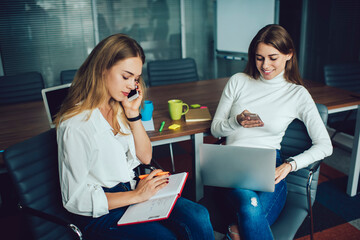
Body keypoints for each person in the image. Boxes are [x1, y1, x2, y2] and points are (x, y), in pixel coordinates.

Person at [55, 33, 214, 240]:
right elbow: (75, 199)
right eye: (126, 76)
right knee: (164, 237)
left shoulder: (119, 106)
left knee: (199, 215)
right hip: (102, 212)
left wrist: (132, 114)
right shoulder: (75, 124)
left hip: (133, 191)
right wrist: (137, 195)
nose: (132, 85)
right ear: (103, 68)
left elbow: (146, 157)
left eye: (136, 79)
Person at [211, 24, 333, 240]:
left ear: (289, 55)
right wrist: (236, 121)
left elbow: (325, 145)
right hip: (232, 167)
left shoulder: (297, 94)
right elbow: (215, 128)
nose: (265, 65)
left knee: (247, 216)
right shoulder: (238, 81)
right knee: (249, 206)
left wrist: (290, 165)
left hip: (270, 167)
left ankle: (233, 233)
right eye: (259, 58)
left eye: (272, 57)